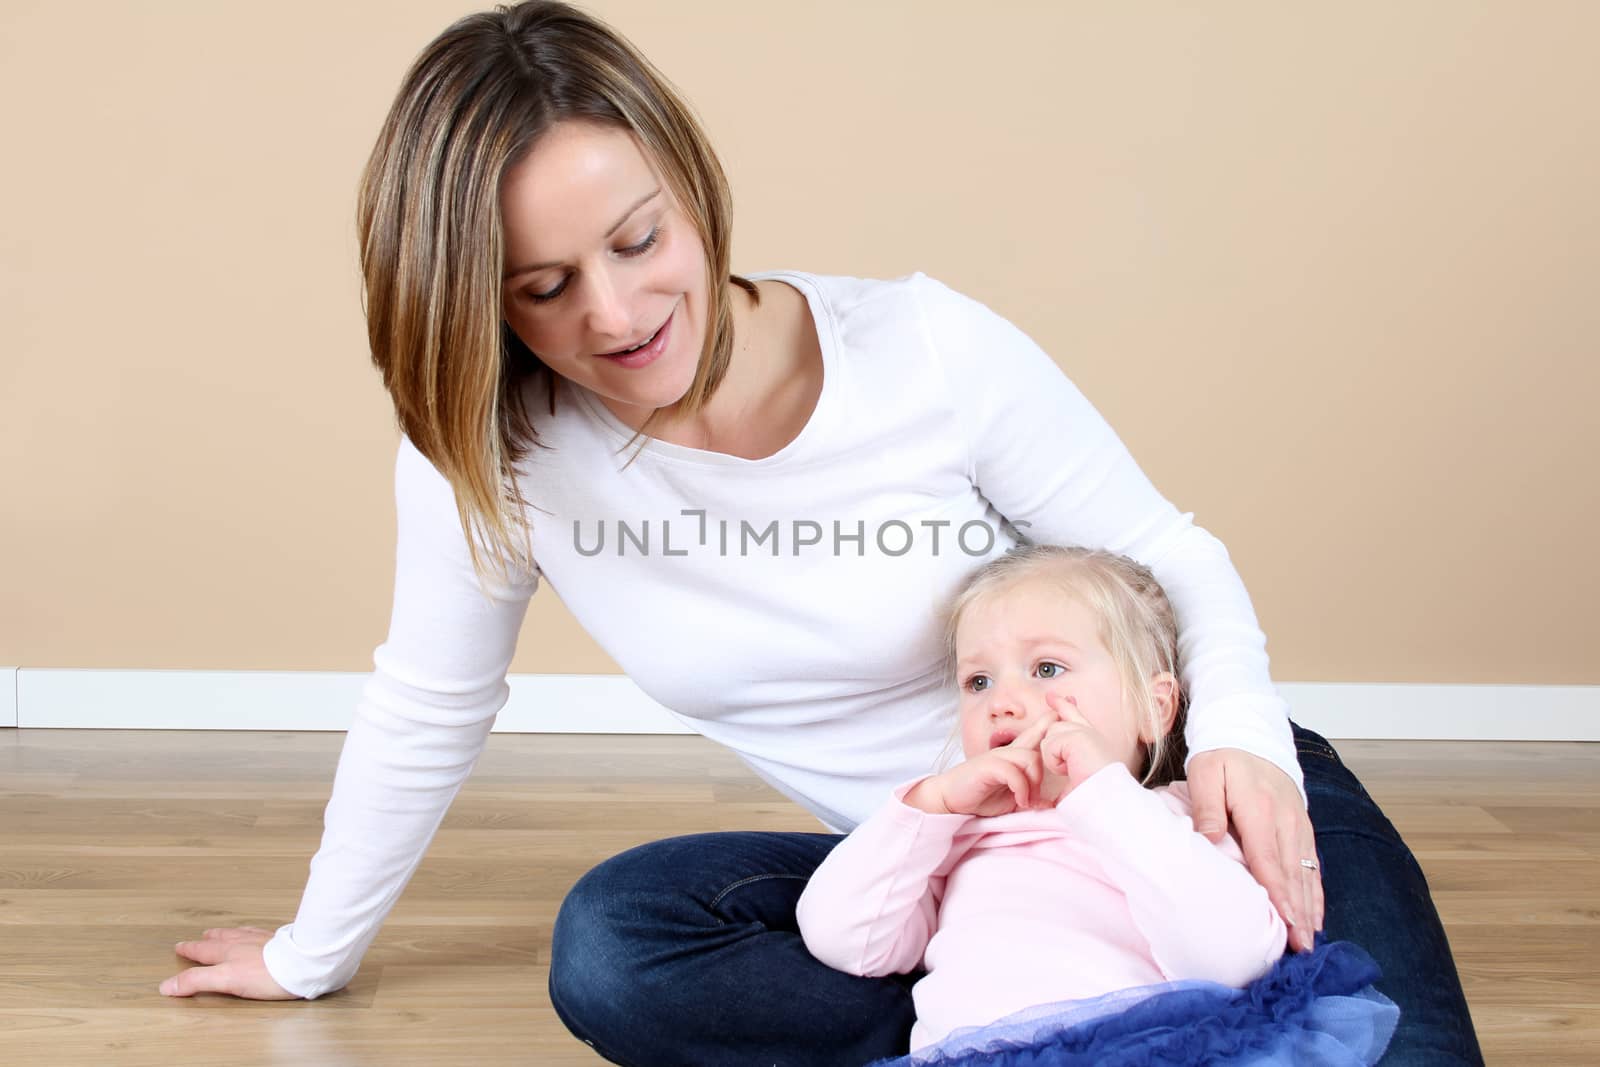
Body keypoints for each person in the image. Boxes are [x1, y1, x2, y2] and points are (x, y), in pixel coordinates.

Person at [159, 3, 1482, 1064]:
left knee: (1369, 1034)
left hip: (1175, 811)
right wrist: (309, 950)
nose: (618, 314)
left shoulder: (920, 349)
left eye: (638, 239)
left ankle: (1069, 1013)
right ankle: (1042, 1010)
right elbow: (429, 701)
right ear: (477, 305)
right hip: (948, 876)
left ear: (690, 183)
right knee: (615, 943)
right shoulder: (495, 459)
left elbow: (1168, 549)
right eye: (546, 288)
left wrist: (1240, 740)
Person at [796, 545, 1396, 1064]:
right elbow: (846, 938)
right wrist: (929, 805)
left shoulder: (1176, 816)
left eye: (1046, 668)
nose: (1003, 702)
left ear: (1154, 709)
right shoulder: (954, 837)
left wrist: (1102, 796)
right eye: (979, 681)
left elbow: (1231, 958)